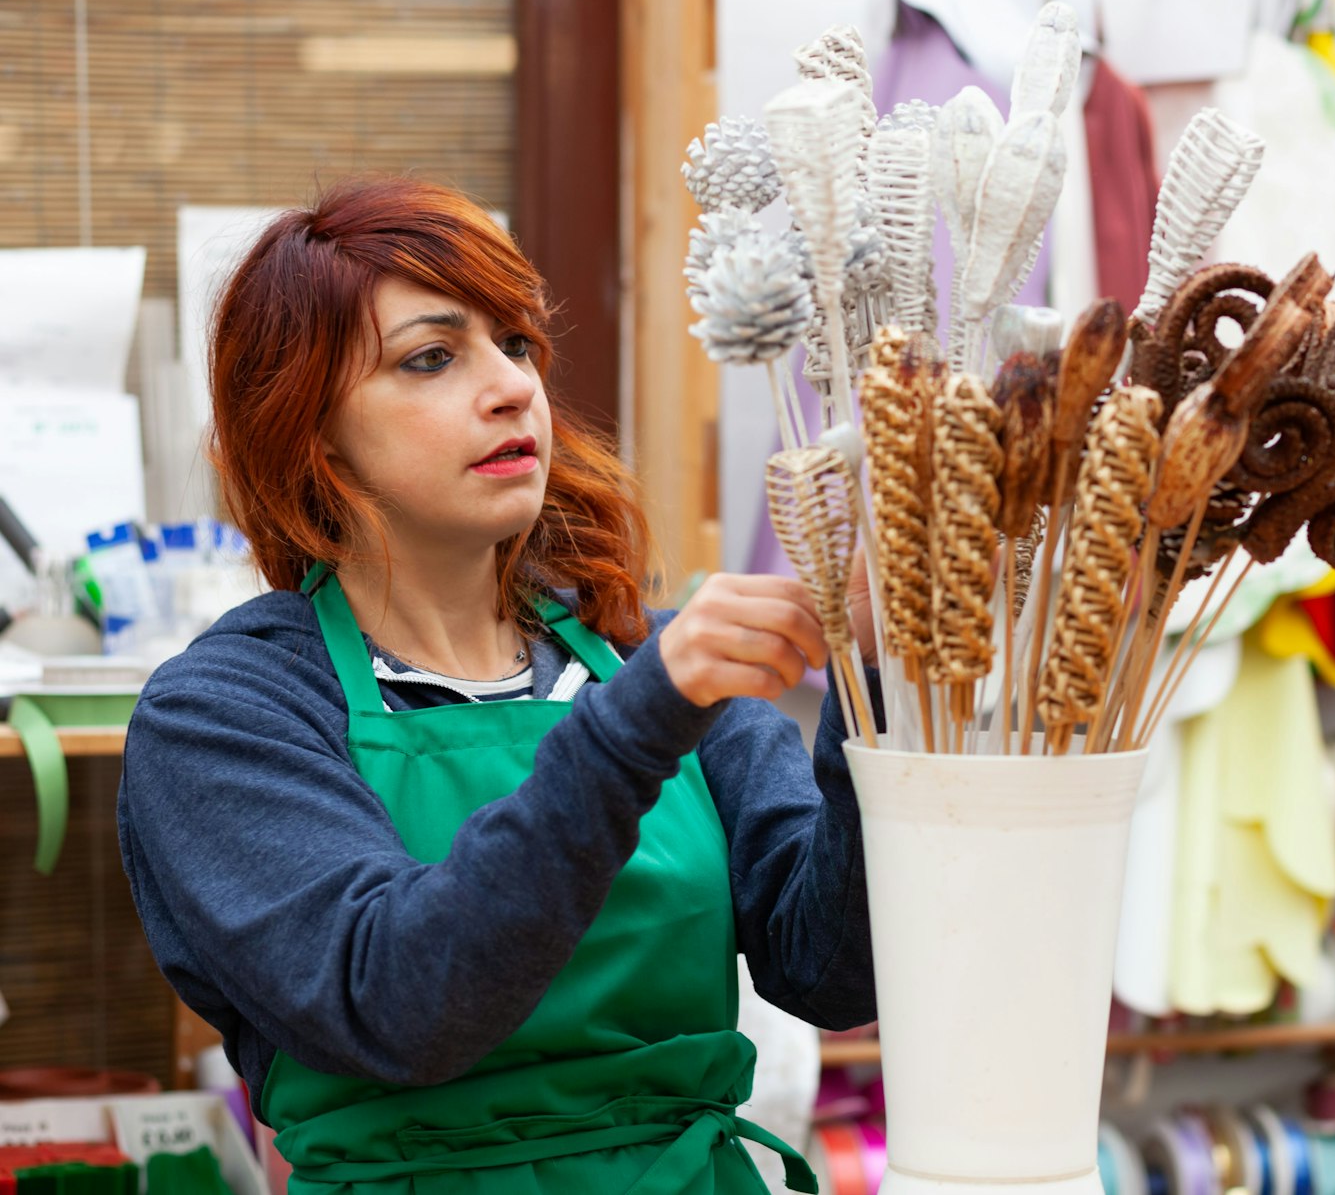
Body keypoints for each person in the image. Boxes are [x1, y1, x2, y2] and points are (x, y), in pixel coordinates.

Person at [119, 177, 877, 1194]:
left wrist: (880, 678)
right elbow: (401, 999)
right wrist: (638, 724)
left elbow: (828, 966)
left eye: (516, 342)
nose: (512, 386)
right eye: (431, 357)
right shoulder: (225, 714)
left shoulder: (640, 665)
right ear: (310, 426)